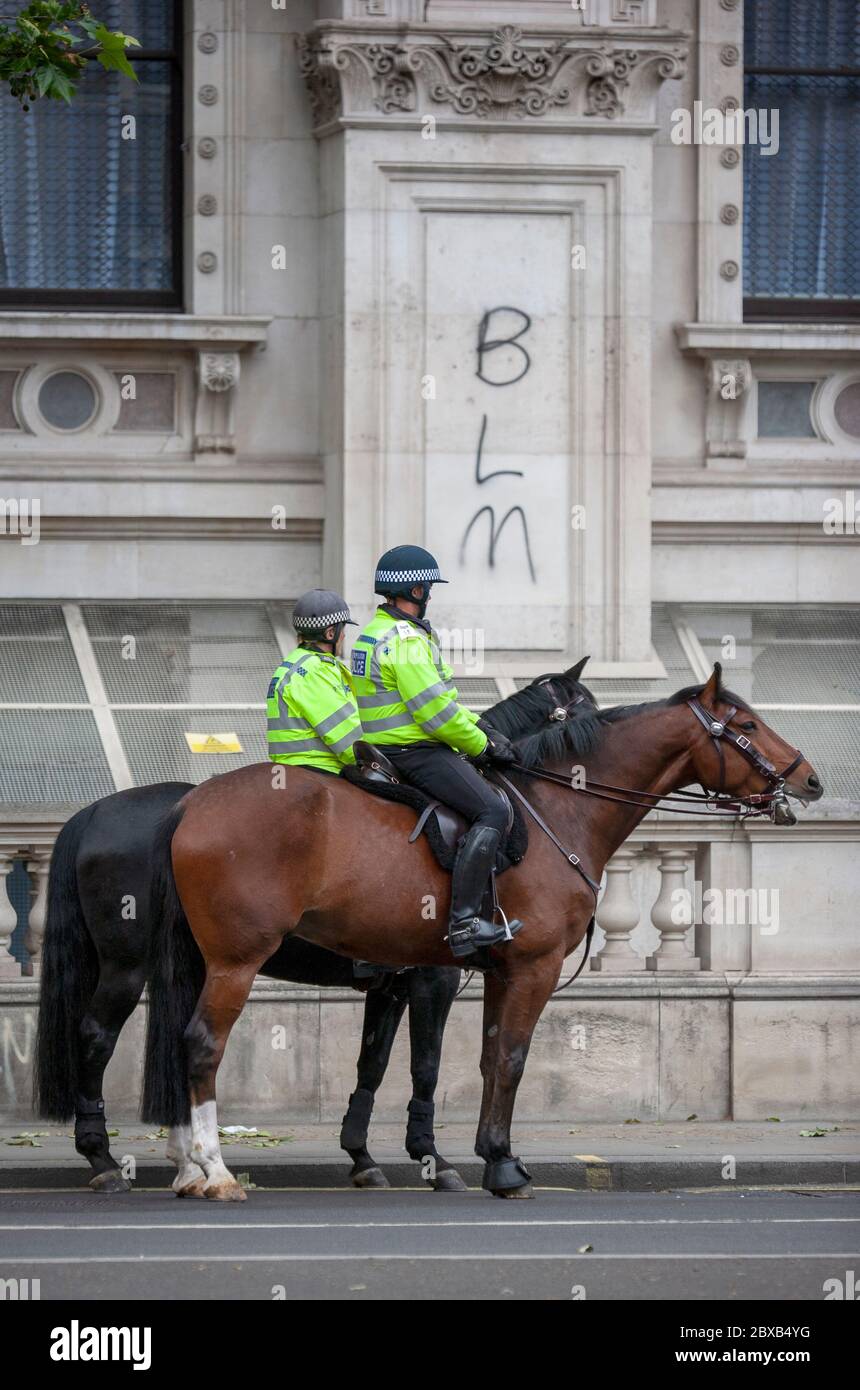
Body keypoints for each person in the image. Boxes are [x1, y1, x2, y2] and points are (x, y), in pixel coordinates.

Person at [351, 544, 523, 959]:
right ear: (413, 588)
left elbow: (441, 700)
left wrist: (480, 725)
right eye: (427, 585)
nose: (430, 592)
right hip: (417, 750)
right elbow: (434, 713)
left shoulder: (371, 633)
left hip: (385, 746)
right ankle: (464, 921)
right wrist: (482, 746)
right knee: (493, 810)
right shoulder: (406, 640)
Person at [267, 589, 362, 774]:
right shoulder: (314, 671)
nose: (344, 636)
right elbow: (349, 740)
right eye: (342, 629)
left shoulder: (295, 663)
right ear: (330, 633)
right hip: (319, 769)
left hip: (290, 770)